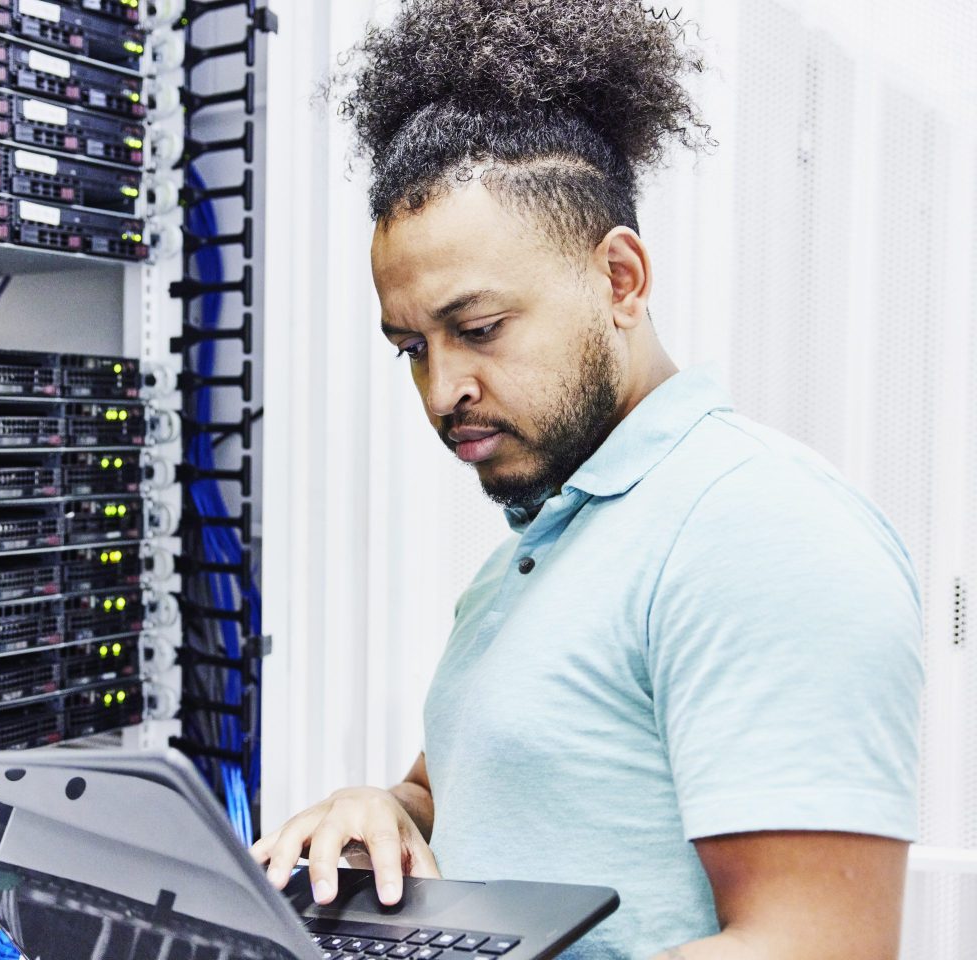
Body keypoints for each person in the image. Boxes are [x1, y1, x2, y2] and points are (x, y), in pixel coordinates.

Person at [250, 2, 924, 958]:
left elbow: (819, 946)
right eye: (411, 348)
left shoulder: (759, 527)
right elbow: (482, 792)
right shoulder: (545, 545)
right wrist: (383, 807)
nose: (445, 392)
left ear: (619, 279)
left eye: (478, 329)